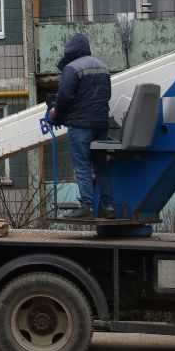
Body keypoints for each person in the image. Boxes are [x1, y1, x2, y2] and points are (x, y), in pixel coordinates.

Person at [47, 33, 112, 220]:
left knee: (82, 165)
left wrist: (56, 113)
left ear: (70, 51)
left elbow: (65, 95)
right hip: (100, 123)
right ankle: (109, 207)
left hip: (80, 125)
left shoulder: (72, 68)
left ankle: (86, 207)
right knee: (101, 166)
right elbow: (106, 95)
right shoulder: (103, 67)